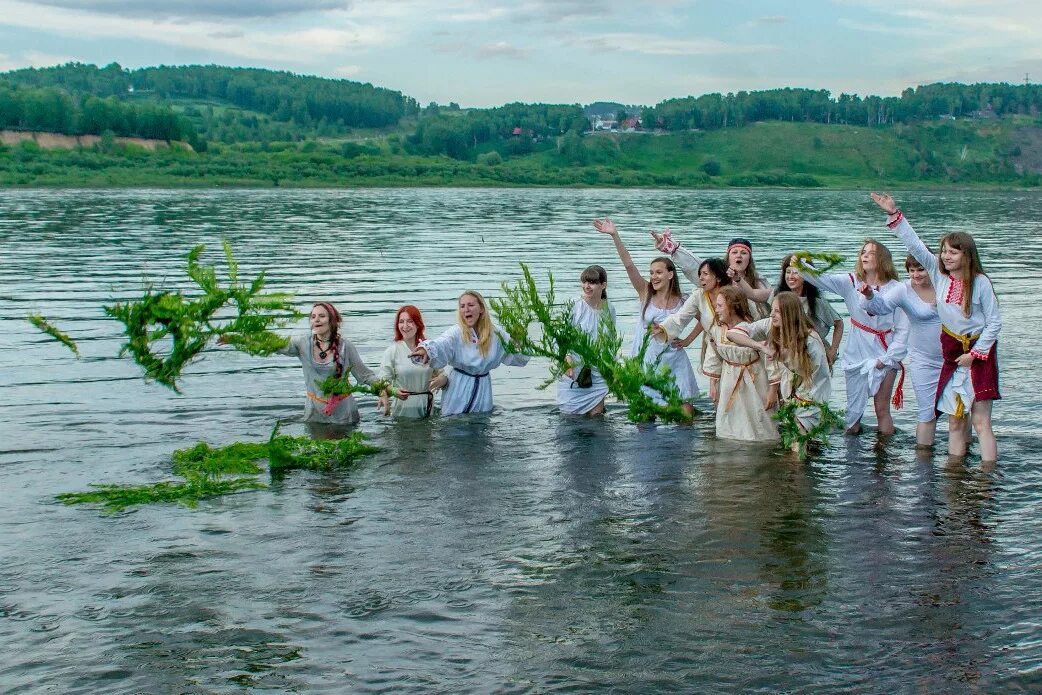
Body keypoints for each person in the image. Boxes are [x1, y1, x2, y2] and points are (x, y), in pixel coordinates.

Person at [871, 193, 1001, 462]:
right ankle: (953, 475)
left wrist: (976, 354)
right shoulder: (939, 275)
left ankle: (988, 480)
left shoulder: (981, 283)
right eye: (944, 251)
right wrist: (894, 215)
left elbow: (994, 323)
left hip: (978, 355)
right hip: (952, 356)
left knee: (979, 423)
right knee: (954, 420)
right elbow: (916, 246)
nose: (946, 256)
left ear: (967, 255)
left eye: (953, 252)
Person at [799, 239, 909, 435]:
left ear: (882, 258)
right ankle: (851, 458)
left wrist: (889, 358)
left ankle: (885, 457)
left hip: (885, 350)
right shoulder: (850, 282)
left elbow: (902, 329)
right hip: (857, 351)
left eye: (871, 253)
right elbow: (821, 278)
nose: (865, 255)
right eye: (863, 252)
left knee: (882, 408)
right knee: (853, 412)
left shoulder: (897, 288)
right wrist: (799, 263)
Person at [594, 218, 699, 416]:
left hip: (674, 361)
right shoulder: (645, 293)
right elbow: (628, 265)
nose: (654, 277)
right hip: (646, 359)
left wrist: (687, 340)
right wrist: (614, 235)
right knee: (644, 418)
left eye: (659, 272)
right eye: (651, 273)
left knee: (686, 416)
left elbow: (705, 319)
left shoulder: (684, 300)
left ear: (670, 275)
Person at [726, 292, 833, 447]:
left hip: (809, 398)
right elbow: (732, 334)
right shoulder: (771, 325)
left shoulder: (811, 340)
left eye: (776, 311)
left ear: (788, 313)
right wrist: (760, 346)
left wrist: (802, 402)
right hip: (789, 394)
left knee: (798, 445)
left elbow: (819, 376)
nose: (771, 315)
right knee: (794, 445)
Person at [858, 255, 942, 448]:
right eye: (911, 271)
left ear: (931, 267)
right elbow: (879, 307)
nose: (915, 275)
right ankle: (923, 458)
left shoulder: (944, 286)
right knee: (926, 412)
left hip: (952, 357)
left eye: (920, 269)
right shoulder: (904, 290)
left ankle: (962, 457)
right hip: (923, 359)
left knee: (959, 413)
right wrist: (870, 295)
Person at [410, 291, 530, 416]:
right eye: (462, 306)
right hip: (458, 388)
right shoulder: (456, 332)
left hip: (483, 389)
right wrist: (426, 350)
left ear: (481, 309)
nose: (466, 309)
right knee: (454, 426)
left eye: (471, 305)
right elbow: (441, 344)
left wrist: (519, 341)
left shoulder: (495, 334)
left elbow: (518, 357)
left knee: (481, 426)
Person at [272, 301, 380, 427]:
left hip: (344, 415)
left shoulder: (345, 346)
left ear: (332, 320)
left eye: (322, 316)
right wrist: (251, 339)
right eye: (313, 317)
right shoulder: (302, 343)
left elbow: (365, 375)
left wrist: (386, 390)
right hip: (314, 413)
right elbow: (275, 344)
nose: (316, 320)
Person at [701, 286, 779, 441]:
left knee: (759, 422)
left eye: (720, 306)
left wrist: (773, 390)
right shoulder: (716, 329)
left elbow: (770, 360)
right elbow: (713, 357)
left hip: (755, 379)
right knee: (731, 424)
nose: (716, 310)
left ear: (733, 306)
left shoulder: (752, 329)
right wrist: (713, 385)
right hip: (729, 379)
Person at [651, 230, 771, 318]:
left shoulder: (758, 280)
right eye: (734, 252)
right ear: (728, 257)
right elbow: (694, 265)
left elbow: (769, 303)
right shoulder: (717, 276)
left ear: (749, 259)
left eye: (744, 253)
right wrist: (672, 248)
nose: (738, 255)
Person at [651, 257, 728, 390]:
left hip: (736, 349)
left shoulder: (733, 295)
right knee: (717, 397)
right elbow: (681, 316)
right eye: (700, 275)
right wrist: (663, 328)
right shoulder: (698, 296)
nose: (701, 278)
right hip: (715, 350)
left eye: (705, 274)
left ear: (719, 277)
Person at [557, 265, 617, 416]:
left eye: (592, 282)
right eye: (584, 282)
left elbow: (611, 341)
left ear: (603, 285)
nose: (586, 286)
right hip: (573, 368)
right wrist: (566, 359)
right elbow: (559, 337)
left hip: (599, 372)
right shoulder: (574, 305)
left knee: (597, 420)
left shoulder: (609, 308)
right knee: (569, 421)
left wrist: (613, 369)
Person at [770, 254, 844, 368]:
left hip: (813, 354)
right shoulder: (777, 298)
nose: (791, 276)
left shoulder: (817, 302)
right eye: (788, 272)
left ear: (807, 276)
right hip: (784, 354)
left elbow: (838, 323)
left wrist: (833, 351)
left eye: (796, 272)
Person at [378, 305, 448, 419]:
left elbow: (443, 374)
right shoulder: (392, 351)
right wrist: (393, 391)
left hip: (427, 411)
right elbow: (382, 382)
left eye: (410, 321)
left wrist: (442, 379)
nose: (405, 326)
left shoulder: (429, 349)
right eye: (401, 322)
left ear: (418, 324)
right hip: (402, 412)